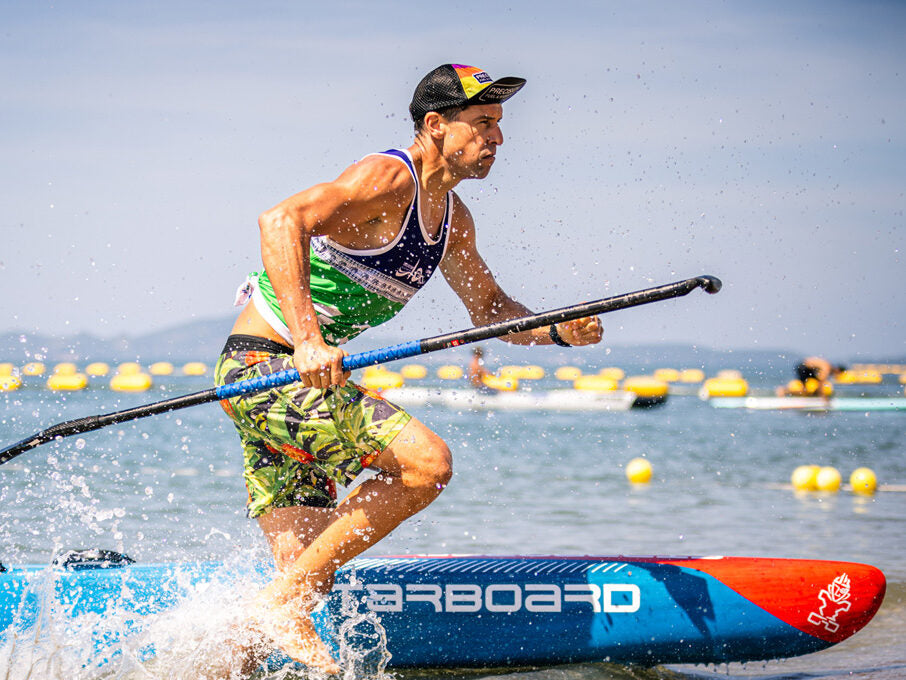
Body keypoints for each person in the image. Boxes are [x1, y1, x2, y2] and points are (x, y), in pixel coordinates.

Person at [214, 63, 603, 674]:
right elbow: (280, 221)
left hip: (300, 383)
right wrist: (309, 341)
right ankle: (278, 608)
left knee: (305, 577)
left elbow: (490, 310)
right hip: (265, 371)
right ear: (436, 124)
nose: (497, 138)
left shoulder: (453, 221)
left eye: (499, 124)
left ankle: (215, 653)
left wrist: (557, 330)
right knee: (427, 466)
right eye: (483, 123)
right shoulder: (388, 177)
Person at [776, 356, 846, 396]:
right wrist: (823, 397)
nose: (836, 376)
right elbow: (821, 382)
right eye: (838, 374)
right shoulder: (827, 368)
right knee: (804, 389)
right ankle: (783, 391)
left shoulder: (827, 366)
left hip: (806, 367)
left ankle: (813, 395)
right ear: (837, 371)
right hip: (803, 368)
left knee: (811, 387)